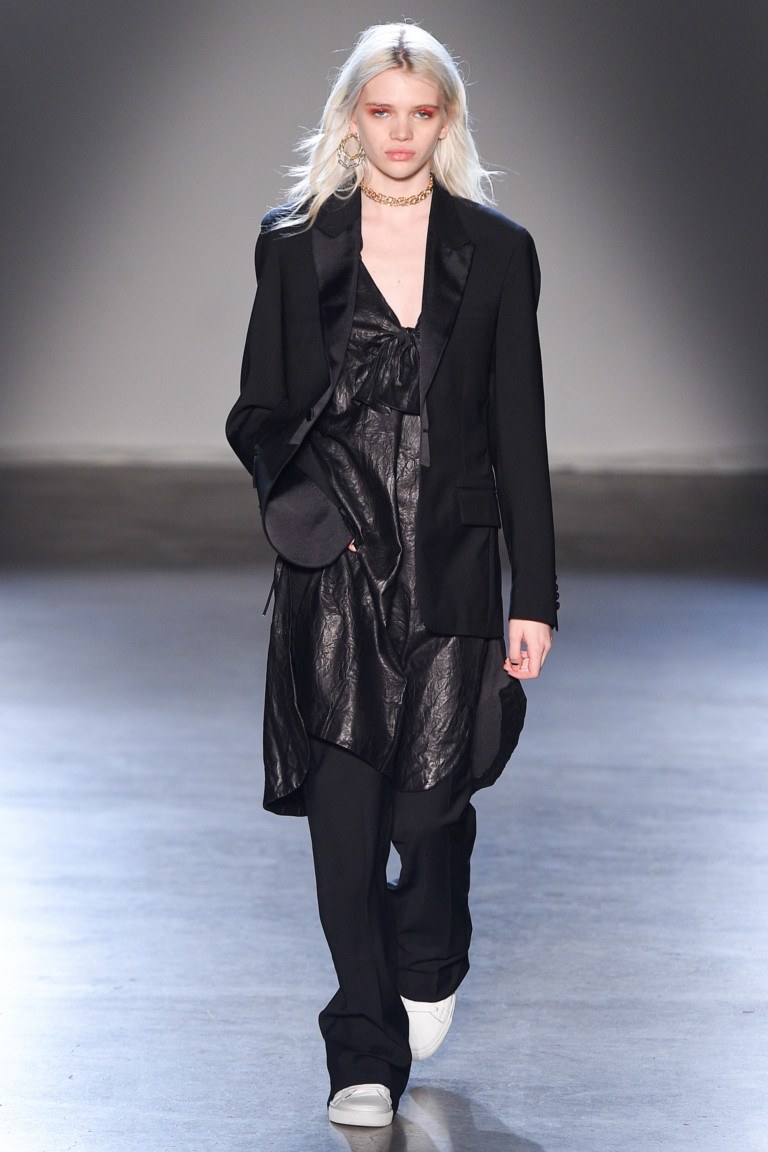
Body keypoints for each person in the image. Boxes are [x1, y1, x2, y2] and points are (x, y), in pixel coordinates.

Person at [226, 22, 558, 1129]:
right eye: (382, 112)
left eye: (421, 113)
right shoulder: (293, 244)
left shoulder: (498, 251)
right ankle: (361, 1048)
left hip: (454, 571)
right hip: (333, 576)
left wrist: (534, 593)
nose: (401, 133)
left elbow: (520, 430)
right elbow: (259, 413)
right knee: (345, 822)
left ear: (446, 120)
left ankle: (432, 946)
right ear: (352, 117)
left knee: (430, 809)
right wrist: (311, 519)